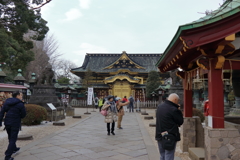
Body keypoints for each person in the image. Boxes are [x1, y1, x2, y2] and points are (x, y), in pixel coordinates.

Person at [155, 93, 183, 160]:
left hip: (159, 134)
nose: (178, 103)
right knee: (169, 154)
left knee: (162, 155)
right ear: (175, 100)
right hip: (170, 136)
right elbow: (180, 121)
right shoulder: (174, 109)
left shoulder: (160, 107)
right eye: (178, 101)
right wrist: (179, 110)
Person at [0, 91, 26, 160]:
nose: (21, 96)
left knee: (10, 137)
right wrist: (18, 116)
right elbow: (23, 115)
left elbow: (2, 112)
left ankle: (14, 148)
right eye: (20, 95)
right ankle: (8, 156)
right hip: (15, 122)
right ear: (17, 96)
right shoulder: (20, 104)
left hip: (7, 122)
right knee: (13, 139)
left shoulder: (6, 102)